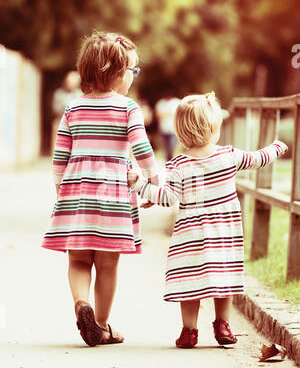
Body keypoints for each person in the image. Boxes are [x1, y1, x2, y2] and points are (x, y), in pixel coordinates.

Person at [128, 91, 288, 348]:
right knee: (223, 277)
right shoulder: (228, 156)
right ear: (214, 127)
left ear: (180, 133)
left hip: (190, 236)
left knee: (189, 279)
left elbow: (168, 197)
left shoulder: (178, 164)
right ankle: (222, 325)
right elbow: (258, 158)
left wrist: (140, 186)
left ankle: (189, 331)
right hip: (224, 233)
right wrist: (276, 147)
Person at [42, 31, 159, 347]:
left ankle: (82, 304)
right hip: (113, 199)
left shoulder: (72, 108)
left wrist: (61, 192)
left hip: (76, 197)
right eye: (131, 71)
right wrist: (153, 181)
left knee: (78, 260)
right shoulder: (128, 108)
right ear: (118, 73)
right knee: (108, 264)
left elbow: (59, 158)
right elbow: (143, 149)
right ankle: (103, 326)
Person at [155, 94, 180, 161]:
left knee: (172, 147)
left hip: (173, 130)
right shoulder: (161, 103)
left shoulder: (175, 102)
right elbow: (158, 115)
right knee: (166, 148)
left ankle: (172, 160)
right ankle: (168, 161)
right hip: (164, 130)